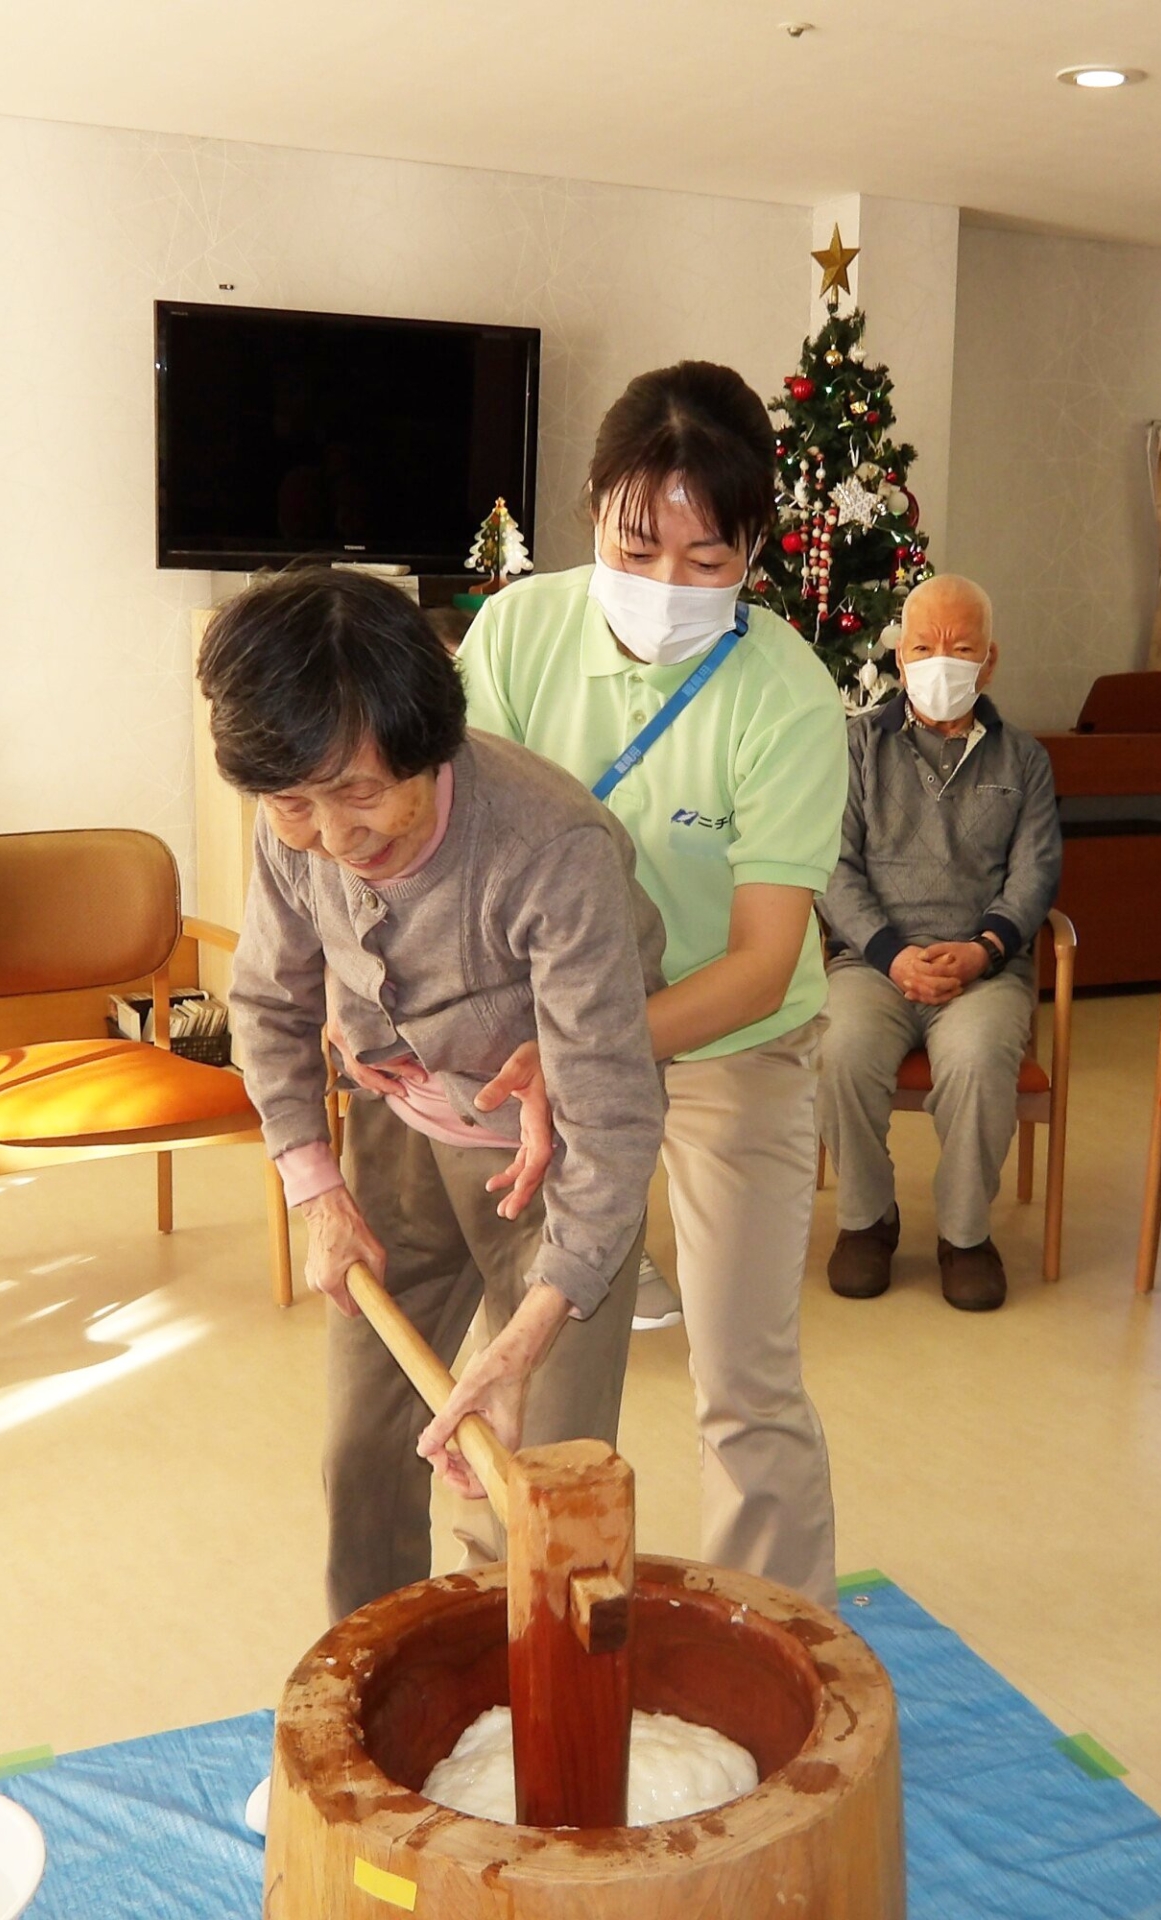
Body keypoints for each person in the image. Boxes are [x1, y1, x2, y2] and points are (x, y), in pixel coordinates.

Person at [455, 361, 847, 1604]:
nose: (668, 586)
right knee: (525, 1348)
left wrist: (585, 1053)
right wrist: (550, 1051)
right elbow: (469, 862)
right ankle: (492, 1613)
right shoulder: (517, 634)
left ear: (754, 555)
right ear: (589, 510)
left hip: (734, 1044)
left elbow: (758, 960)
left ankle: (772, 1632)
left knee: (745, 1375)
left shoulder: (785, 694)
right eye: (639, 547)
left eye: (707, 563)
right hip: (558, 1044)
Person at [208, 571, 668, 1620]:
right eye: (292, 804)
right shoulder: (298, 819)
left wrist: (526, 1336)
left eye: (361, 794)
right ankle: (371, 1696)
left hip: (544, 1164)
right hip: (395, 1141)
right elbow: (268, 1008)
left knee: (534, 1481)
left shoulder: (549, 846)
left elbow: (611, 1118)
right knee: (361, 1453)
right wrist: (317, 1193)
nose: (330, 836)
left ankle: (526, 1719)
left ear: (430, 745)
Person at [816, 575, 1061, 1310]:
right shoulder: (856, 747)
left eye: (961, 648)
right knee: (838, 1049)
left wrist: (984, 949)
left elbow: (1037, 873)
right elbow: (832, 867)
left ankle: (963, 1234)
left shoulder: (1024, 760)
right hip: (873, 962)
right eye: (923, 647)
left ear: (990, 661)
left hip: (983, 969)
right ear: (899, 661)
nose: (940, 661)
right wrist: (892, 953)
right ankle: (866, 1219)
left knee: (984, 1058)